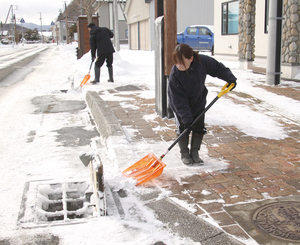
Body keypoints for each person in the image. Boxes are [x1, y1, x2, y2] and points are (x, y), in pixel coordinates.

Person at [168, 43, 237, 166]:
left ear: (191, 59)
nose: (178, 66)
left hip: (198, 101)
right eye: (176, 62)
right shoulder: (175, 75)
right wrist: (187, 118)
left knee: (198, 127)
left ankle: (195, 153)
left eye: (182, 62)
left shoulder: (202, 62)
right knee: (184, 127)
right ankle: (184, 153)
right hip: (180, 106)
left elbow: (217, 68)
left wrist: (230, 78)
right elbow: (179, 101)